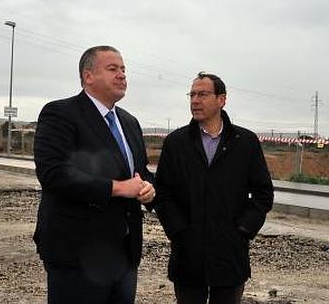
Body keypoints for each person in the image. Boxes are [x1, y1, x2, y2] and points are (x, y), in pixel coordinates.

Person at [33, 45, 155, 304]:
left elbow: (139, 172)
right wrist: (118, 188)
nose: (122, 75)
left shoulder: (130, 122)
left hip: (124, 255)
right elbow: (54, 173)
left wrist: (148, 188)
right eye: (113, 69)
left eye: (123, 69)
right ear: (88, 76)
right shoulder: (60, 114)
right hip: (76, 255)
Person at [154, 72, 274, 304]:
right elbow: (164, 193)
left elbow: (263, 193)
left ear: (221, 99)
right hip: (188, 253)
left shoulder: (245, 142)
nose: (195, 100)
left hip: (230, 254)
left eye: (203, 94)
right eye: (192, 95)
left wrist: (243, 230)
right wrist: (179, 231)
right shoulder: (176, 143)